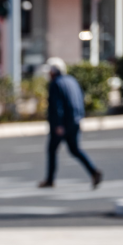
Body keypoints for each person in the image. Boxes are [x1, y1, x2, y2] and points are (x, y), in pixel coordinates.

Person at [40, 57, 103, 189]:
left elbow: (57, 106)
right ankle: (93, 171)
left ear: (54, 71)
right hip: (75, 121)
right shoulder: (72, 80)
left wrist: (58, 125)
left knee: (52, 150)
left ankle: (50, 180)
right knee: (75, 150)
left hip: (62, 124)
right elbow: (80, 100)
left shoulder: (56, 83)